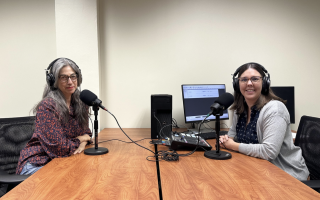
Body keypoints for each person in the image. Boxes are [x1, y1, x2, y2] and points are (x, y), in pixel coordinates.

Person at [219, 62, 309, 180]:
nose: (249, 83)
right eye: (244, 79)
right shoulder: (240, 109)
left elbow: (268, 152)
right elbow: (231, 137)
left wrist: (232, 145)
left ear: (264, 83)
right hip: (257, 170)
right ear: (237, 84)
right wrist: (225, 140)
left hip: (287, 175)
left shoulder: (275, 109)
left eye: (255, 79)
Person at [16, 58, 92, 175]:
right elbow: (61, 149)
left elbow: (87, 133)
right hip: (37, 163)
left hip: (62, 160)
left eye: (73, 76)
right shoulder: (47, 107)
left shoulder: (81, 103)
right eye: (63, 77)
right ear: (53, 80)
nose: (70, 82)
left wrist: (83, 141)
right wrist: (82, 139)